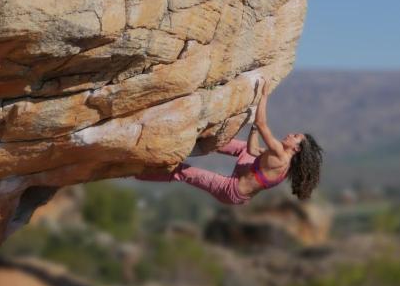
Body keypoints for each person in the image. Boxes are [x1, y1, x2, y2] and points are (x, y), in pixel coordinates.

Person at [135, 80, 323, 204]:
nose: (290, 134)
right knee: (242, 148)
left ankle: (138, 171)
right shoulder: (283, 161)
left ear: (297, 148)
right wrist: (254, 128)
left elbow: (262, 123)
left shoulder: (280, 155)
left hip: (230, 190)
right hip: (241, 184)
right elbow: (251, 148)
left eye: (295, 136)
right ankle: (203, 139)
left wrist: (263, 97)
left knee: (183, 172)